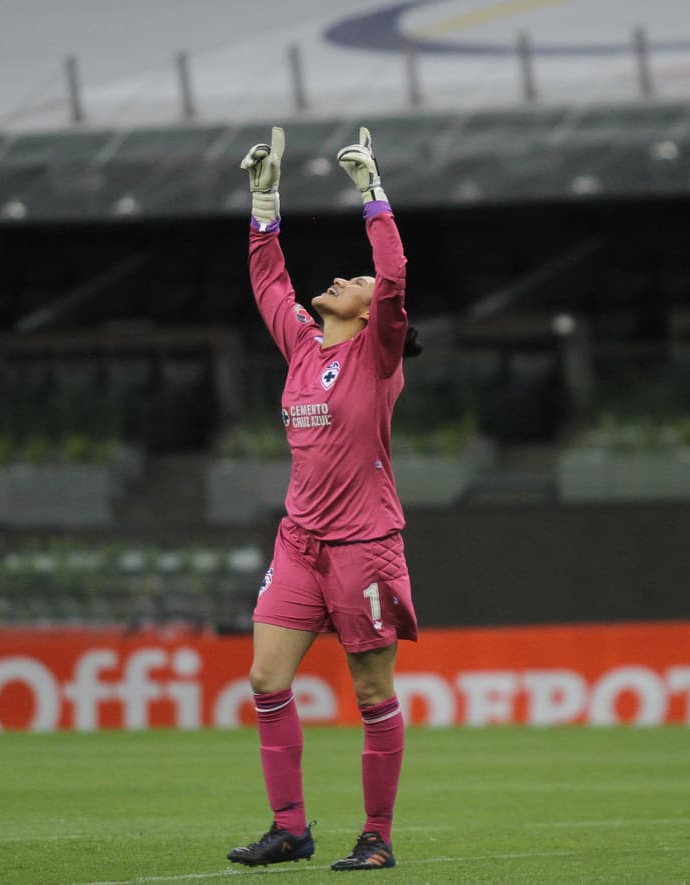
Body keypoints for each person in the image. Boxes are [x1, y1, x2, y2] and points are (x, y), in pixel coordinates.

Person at [227, 126, 421, 873]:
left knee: (372, 693)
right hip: (300, 544)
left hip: (365, 548)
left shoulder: (379, 354)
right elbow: (269, 283)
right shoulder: (304, 346)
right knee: (265, 679)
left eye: (357, 282)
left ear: (376, 313)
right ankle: (291, 828)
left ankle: (377, 835)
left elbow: (395, 273)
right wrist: (264, 199)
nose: (344, 278)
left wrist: (372, 191)